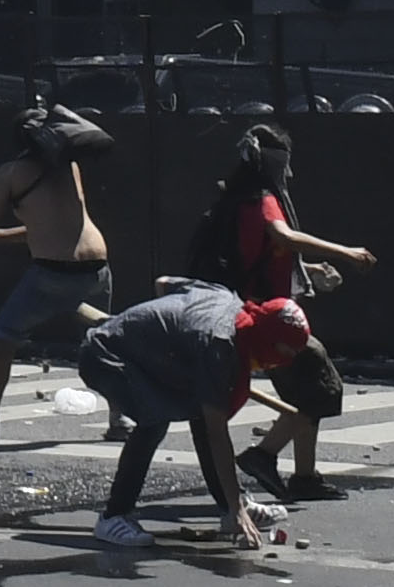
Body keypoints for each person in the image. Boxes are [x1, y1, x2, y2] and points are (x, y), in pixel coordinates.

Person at [186, 128, 370, 497]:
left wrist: (310, 269)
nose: (288, 173)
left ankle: (305, 476)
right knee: (322, 387)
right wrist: (346, 252)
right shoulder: (262, 198)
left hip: (248, 312)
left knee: (306, 388)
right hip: (264, 319)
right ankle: (263, 455)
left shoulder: (237, 198)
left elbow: (263, 252)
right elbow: (282, 236)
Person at [77, 282, 324, 551]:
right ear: (267, 339)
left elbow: (166, 283)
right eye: (285, 352)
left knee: (200, 413)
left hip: (154, 359)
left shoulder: (229, 300)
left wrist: (170, 333)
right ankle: (113, 517)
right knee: (155, 420)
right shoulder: (219, 345)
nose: (284, 361)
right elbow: (217, 434)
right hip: (106, 356)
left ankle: (230, 507)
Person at [0, 100, 117, 451]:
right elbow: (52, 227)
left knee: (4, 337)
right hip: (96, 269)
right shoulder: (70, 168)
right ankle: (121, 419)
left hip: (52, 274)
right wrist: (0, 238)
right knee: (103, 342)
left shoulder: (11, 172)